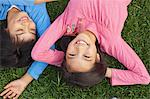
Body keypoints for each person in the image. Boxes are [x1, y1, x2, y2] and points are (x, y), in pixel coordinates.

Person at [1, 0, 150, 98]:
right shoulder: (111, 40)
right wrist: (103, 71)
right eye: (87, 57)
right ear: (98, 57)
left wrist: (67, 62)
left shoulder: (66, 23)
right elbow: (144, 77)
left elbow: (37, 53)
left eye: (72, 54)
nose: (80, 48)